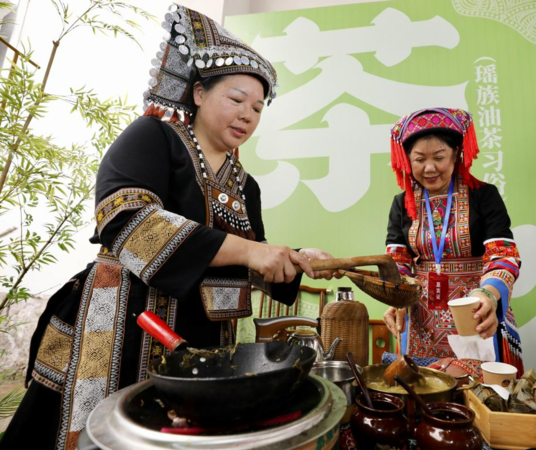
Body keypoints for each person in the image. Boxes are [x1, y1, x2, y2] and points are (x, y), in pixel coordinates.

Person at [1, 6, 338, 449]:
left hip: (204, 341)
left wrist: (291, 260)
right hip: (129, 324)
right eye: (236, 100)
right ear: (198, 93)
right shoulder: (152, 137)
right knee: (109, 432)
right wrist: (251, 251)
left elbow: (246, 257)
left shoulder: (245, 184)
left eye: (257, 108)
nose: (248, 115)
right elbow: (127, 220)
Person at [381, 108, 523, 374]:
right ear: (408, 161)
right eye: (419, 159)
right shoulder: (402, 203)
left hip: (475, 311)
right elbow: (397, 259)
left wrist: (488, 294)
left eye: (439, 157)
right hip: (421, 321)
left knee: (482, 398)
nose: (429, 167)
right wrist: (397, 297)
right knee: (423, 394)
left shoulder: (483, 195)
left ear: (457, 155)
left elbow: (502, 253)